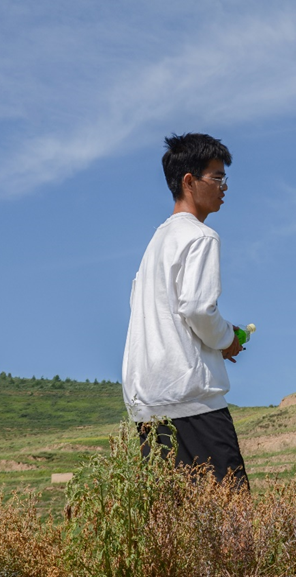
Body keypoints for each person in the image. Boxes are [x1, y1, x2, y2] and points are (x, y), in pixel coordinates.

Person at [122, 132, 248, 488]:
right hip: (192, 403)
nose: (224, 187)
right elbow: (197, 308)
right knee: (232, 521)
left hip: (147, 404)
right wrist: (227, 340)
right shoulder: (200, 236)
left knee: (175, 530)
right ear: (189, 181)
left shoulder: (157, 242)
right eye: (217, 177)